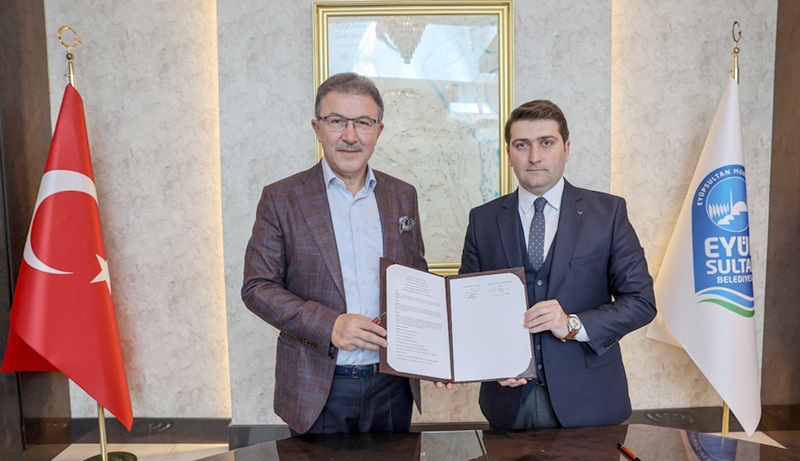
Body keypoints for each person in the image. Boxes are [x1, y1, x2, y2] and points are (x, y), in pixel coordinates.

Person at [241, 73, 427, 435]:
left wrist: (439, 354)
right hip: (317, 386)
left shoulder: (402, 195)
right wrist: (330, 325)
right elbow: (257, 287)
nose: (350, 135)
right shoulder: (282, 198)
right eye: (337, 121)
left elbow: (416, 279)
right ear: (317, 128)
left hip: (392, 384)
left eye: (363, 123)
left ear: (378, 131)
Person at [459, 100, 656, 429]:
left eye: (546, 143)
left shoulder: (608, 214)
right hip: (508, 404)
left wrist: (573, 325)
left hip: (592, 403)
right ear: (509, 153)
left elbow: (641, 301)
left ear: (566, 149)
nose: (534, 156)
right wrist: (491, 363)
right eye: (522, 145)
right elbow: (468, 310)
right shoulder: (483, 220)